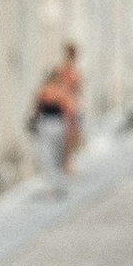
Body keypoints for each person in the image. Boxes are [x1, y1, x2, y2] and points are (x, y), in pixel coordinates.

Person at [29, 44, 81, 190]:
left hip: (48, 124)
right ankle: (56, 182)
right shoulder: (60, 88)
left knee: (50, 156)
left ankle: (53, 184)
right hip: (56, 123)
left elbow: (36, 109)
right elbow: (68, 109)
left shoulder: (46, 90)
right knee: (57, 155)